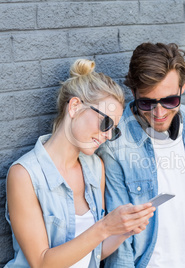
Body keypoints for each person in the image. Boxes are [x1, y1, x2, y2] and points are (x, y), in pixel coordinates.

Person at [5, 59, 155, 268]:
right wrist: (104, 227)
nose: (108, 135)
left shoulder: (95, 168)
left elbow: (92, 254)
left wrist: (123, 230)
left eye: (114, 130)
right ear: (75, 106)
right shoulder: (24, 175)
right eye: (106, 122)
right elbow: (41, 262)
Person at [97, 42, 185, 267]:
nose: (159, 113)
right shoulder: (115, 145)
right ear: (133, 93)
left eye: (170, 101)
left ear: (183, 87)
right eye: (147, 102)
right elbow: (120, 244)